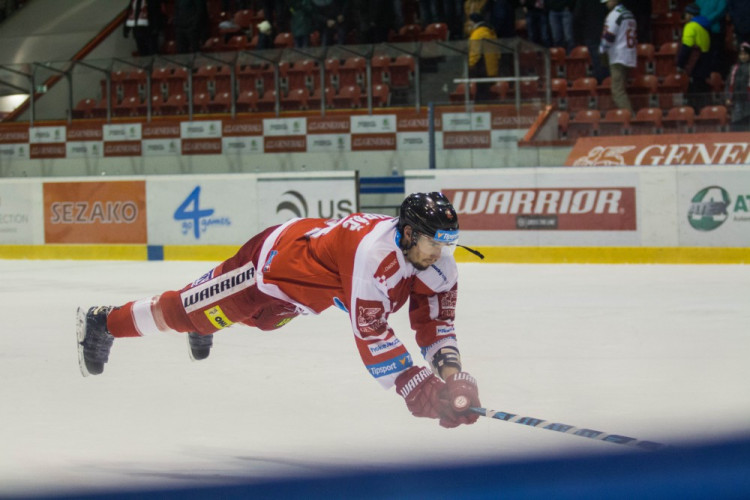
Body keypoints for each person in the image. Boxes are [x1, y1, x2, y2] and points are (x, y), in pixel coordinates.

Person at [76, 193, 482, 429]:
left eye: (446, 244)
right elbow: (372, 334)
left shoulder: (436, 263)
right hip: (269, 266)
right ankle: (104, 321)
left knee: (264, 323)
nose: (440, 254)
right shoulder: (374, 258)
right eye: (434, 243)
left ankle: (212, 317)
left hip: (303, 294)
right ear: (409, 233)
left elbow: (435, 323)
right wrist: (413, 384)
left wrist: (452, 376)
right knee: (187, 312)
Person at [599, 0, 636, 113]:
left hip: (618, 57)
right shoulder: (629, 13)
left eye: (608, 1)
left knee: (617, 91)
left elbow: (609, 36)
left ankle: (630, 118)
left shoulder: (614, 15)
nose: (606, 4)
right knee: (622, 88)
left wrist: (602, 51)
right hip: (629, 54)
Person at [677, 3, 712, 111]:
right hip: (705, 61)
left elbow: (686, 47)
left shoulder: (690, 26)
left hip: (695, 63)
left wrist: (680, 64)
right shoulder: (704, 26)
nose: (685, 16)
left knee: (694, 94)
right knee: (703, 91)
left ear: (691, 15)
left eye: (686, 14)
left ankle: (696, 115)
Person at [468, 12, 500, 102]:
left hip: (482, 66)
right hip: (491, 66)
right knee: (486, 90)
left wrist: (471, 64)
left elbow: (475, 52)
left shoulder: (478, 33)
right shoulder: (490, 31)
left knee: (481, 90)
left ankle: (480, 108)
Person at [725, 42, 750, 131]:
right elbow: (728, 84)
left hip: (748, 100)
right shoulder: (734, 68)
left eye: (745, 54)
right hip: (737, 101)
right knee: (737, 123)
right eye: (741, 54)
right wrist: (728, 97)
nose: (743, 57)